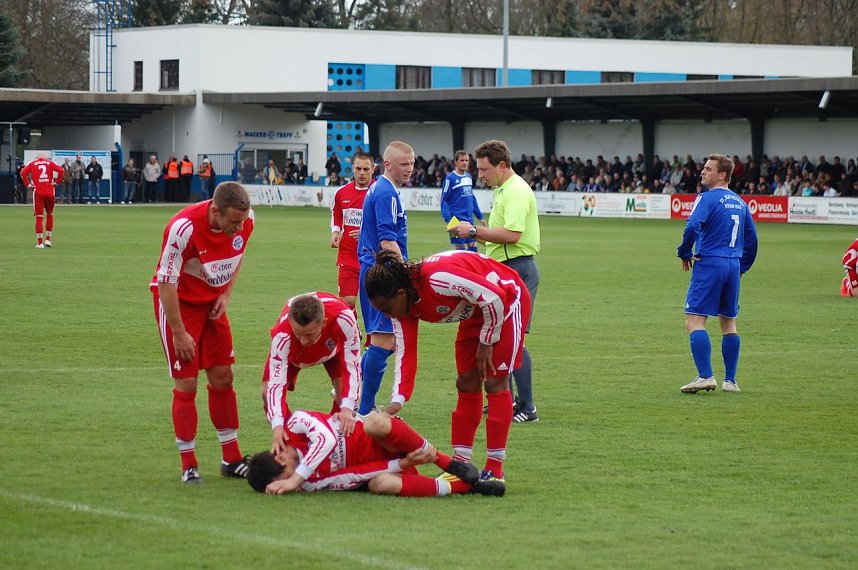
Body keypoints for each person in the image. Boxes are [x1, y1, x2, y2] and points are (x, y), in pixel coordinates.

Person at [365, 249, 530, 484]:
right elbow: (405, 353)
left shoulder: (437, 279)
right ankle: (460, 465)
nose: (387, 315)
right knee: (466, 382)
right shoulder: (402, 310)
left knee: (495, 382)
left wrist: (487, 341)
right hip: (476, 312)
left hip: (507, 301)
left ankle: (495, 469)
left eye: (387, 309)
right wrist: (397, 401)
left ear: (400, 294)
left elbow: (494, 297)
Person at [150, 182, 255, 484]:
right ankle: (189, 464)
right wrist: (179, 331)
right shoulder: (182, 229)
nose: (239, 228)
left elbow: (238, 254)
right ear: (215, 211)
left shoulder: (246, 219)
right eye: (233, 221)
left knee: (224, 376)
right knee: (186, 382)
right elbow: (166, 283)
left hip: (212, 304)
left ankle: (231, 459)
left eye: (242, 221)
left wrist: (226, 293)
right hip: (179, 305)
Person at [451, 139, 541, 423]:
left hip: (518, 269)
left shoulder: (516, 191)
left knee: (514, 340)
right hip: (505, 268)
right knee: (500, 336)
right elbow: (502, 237)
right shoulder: (504, 189)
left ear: (501, 165)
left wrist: (473, 232)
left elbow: (513, 235)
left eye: (484, 169)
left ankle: (527, 407)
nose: (480, 175)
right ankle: (506, 399)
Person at [248, 409, 503, 497]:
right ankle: (465, 487)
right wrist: (401, 464)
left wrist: (294, 478)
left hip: (388, 438)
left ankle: (444, 461)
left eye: (286, 479)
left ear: (280, 458)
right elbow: (352, 475)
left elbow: (326, 439)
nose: (293, 484)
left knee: (375, 422)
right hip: (389, 463)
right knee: (380, 485)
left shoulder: (295, 424)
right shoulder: (307, 484)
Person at [678, 154, 758, 394]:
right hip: (732, 265)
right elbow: (752, 239)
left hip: (710, 262)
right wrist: (742, 267)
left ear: (722, 175)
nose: (702, 172)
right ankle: (730, 381)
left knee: (694, 321)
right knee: (729, 322)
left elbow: (692, 225)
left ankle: (705, 376)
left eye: (708, 169)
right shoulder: (740, 202)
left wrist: (684, 252)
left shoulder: (706, 198)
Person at [355, 141, 414, 415]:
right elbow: (387, 240)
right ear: (388, 164)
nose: (409, 169)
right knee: (384, 340)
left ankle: (354, 384)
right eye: (404, 164)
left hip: (376, 271)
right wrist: (406, 272)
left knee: (390, 341)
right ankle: (365, 409)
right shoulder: (385, 193)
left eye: (412, 164)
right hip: (382, 274)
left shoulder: (383, 189)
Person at [262, 292, 361, 443]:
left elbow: (352, 364)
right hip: (294, 357)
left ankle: (334, 439)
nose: (304, 341)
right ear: (290, 323)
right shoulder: (282, 334)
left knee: (344, 397)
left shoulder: (343, 318)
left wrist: (347, 408)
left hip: (333, 352)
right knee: (266, 394)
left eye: (309, 334)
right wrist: (277, 425)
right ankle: (293, 439)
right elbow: (276, 385)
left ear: (324, 323)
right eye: (298, 334)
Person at [330, 152, 374, 312]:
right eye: (358, 168)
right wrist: (335, 232)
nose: (362, 173)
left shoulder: (378, 193)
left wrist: (366, 234)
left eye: (366, 169)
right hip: (348, 255)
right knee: (346, 302)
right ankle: (354, 327)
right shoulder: (341, 192)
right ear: (353, 168)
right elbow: (337, 214)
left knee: (373, 302)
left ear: (373, 169)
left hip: (372, 256)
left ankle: (373, 330)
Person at [441, 150, 485, 252]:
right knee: (460, 250)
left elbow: (472, 198)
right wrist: (449, 220)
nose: (465, 163)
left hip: (469, 220)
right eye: (462, 160)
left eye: (466, 160)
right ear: (455, 162)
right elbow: (444, 200)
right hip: (455, 220)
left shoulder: (468, 177)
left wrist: (480, 216)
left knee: (473, 248)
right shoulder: (450, 179)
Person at [20, 154, 64, 248]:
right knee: (50, 214)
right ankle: (48, 239)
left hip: (38, 192)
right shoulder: (50, 163)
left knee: (39, 217)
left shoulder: (33, 163)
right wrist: (57, 182)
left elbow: (22, 173)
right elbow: (61, 170)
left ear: (37, 158)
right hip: (50, 191)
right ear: (45, 158)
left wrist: (28, 185)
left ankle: (40, 243)